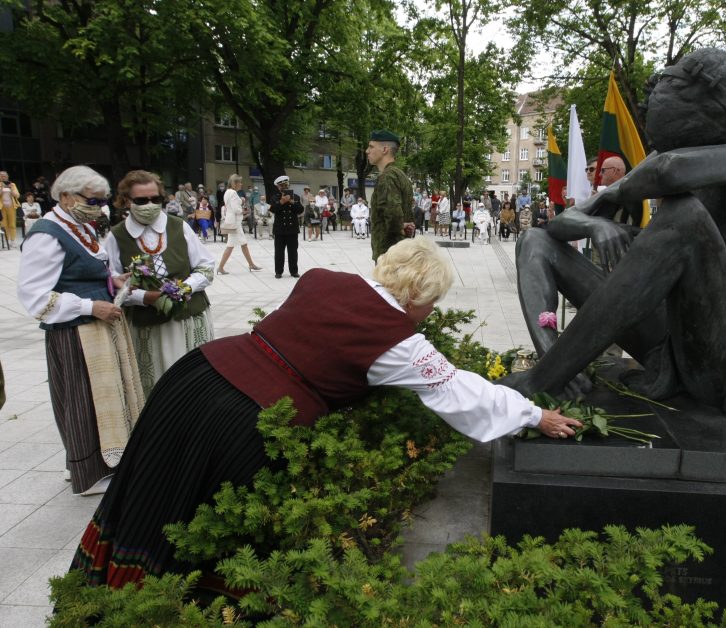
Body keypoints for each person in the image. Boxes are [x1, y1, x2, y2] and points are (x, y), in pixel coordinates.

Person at [71, 237, 582, 588]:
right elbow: (460, 392)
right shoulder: (400, 343)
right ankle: (162, 600)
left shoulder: (320, 278)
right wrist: (533, 415)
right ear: (417, 296)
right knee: (195, 514)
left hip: (196, 376)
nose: (432, 314)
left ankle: (106, 589)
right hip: (244, 418)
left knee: (148, 490)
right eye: (433, 303)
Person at [505, 48, 726, 416]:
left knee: (685, 217)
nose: (669, 147)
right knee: (535, 240)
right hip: (664, 341)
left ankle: (541, 380)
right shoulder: (686, 147)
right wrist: (596, 223)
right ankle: (556, 366)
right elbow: (557, 224)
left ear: (716, 110)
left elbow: (668, 173)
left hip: (719, 355)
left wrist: (625, 187)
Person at [17, 165, 144, 495]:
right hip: (76, 333)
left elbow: (80, 273)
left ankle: (105, 461)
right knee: (81, 400)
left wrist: (110, 281)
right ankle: (86, 473)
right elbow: (35, 296)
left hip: (95, 330)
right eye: (93, 200)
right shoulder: (47, 233)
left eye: (102, 201)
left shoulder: (78, 227)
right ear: (66, 196)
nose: (99, 207)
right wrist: (90, 306)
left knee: (100, 397)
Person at [103, 170, 215, 397]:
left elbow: (206, 267)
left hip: (188, 320)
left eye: (156, 199)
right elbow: (111, 284)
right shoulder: (117, 236)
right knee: (156, 384)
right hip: (147, 325)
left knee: (193, 382)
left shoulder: (178, 226)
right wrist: (145, 297)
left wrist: (185, 288)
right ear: (126, 201)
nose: (150, 204)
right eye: (141, 200)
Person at [366, 129, 415, 261]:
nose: (367, 151)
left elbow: (392, 212)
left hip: (388, 253)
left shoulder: (387, 177)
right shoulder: (401, 175)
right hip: (401, 250)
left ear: (384, 149)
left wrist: (399, 227)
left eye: (371, 146)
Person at [216, 174, 263, 275]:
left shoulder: (227, 192)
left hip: (233, 222)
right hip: (235, 222)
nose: (241, 184)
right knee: (233, 245)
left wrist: (240, 202)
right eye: (240, 182)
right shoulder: (233, 193)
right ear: (235, 183)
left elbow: (230, 206)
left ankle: (250, 264)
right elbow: (235, 209)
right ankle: (221, 267)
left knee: (240, 244)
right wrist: (243, 210)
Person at [270, 175, 304, 278]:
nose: (284, 187)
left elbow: (300, 210)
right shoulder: (275, 197)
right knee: (279, 252)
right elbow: (272, 210)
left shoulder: (296, 197)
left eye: (286, 185)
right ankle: (278, 271)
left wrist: (292, 202)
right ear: (278, 187)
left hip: (292, 229)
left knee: (293, 251)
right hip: (280, 229)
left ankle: (294, 271)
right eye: (282, 185)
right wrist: (281, 202)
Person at [0, 171, 21, 246]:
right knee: (4, 224)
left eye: (4, 176)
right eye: (1, 176)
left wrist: (11, 189)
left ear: (7, 176)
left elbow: (17, 195)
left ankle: (12, 240)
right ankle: (7, 239)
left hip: (12, 206)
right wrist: (2, 188)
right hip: (2, 207)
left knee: (12, 224)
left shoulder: (12, 184)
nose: (3, 177)